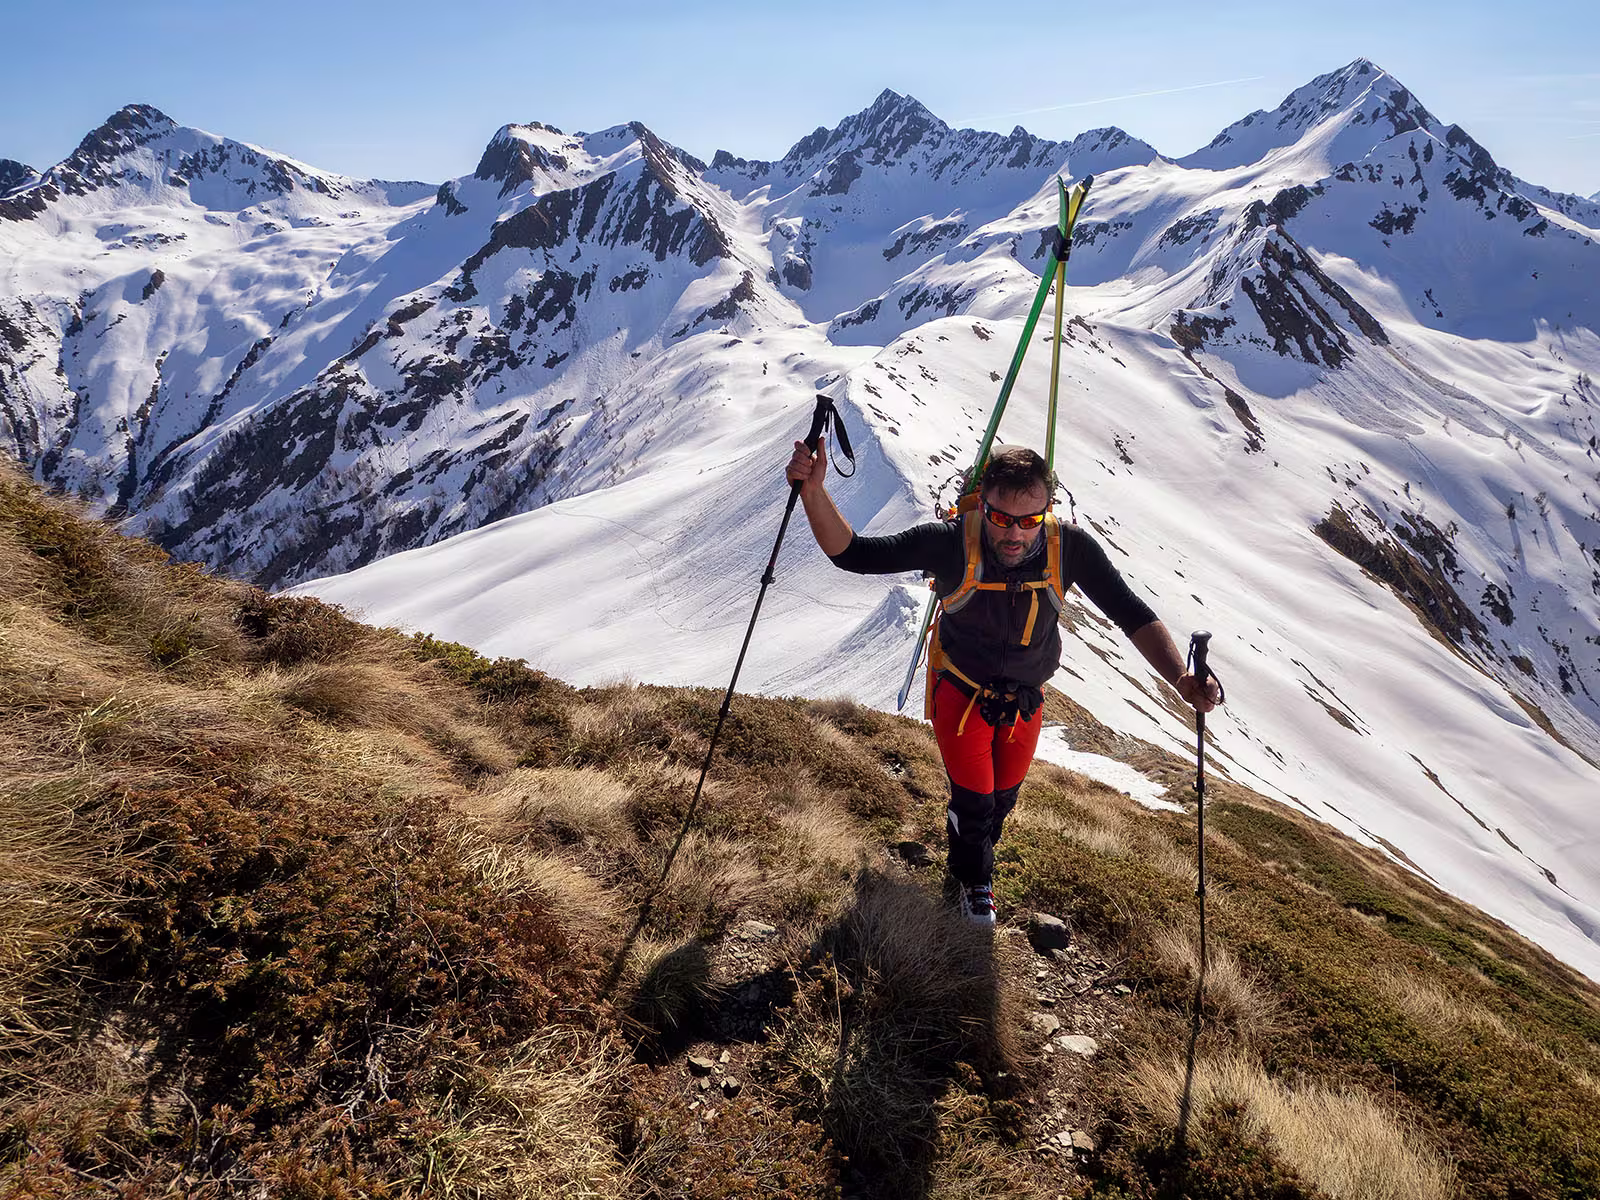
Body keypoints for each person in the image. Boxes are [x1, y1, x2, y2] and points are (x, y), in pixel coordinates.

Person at [786, 438, 1220, 926]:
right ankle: (973, 882)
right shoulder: (953, 541)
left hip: (1026, 703)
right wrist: (813, 491)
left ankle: (968, 853)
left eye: (1030, 520)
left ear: (1048, 510)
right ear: (983, 503)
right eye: (1001, 518)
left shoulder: (1070, 547)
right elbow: (854, 554)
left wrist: (1180, 677)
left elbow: (1130, 613)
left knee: (1002, 800)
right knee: (975, 802)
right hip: (961, 694)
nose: (1014, 534)